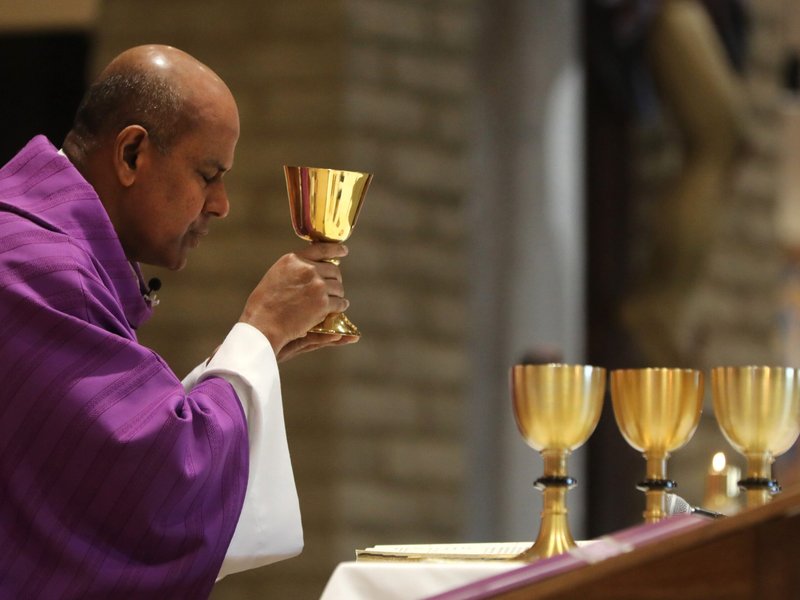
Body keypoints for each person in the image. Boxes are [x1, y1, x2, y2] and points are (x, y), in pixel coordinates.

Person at [0, 44, 356, 598]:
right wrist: (259, 330)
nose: (222, 204)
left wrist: (253, 358)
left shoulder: (44, 250)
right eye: (208, 174)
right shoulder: (31, 266)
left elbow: (104, 450)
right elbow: (152, 483)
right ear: (133, 153)